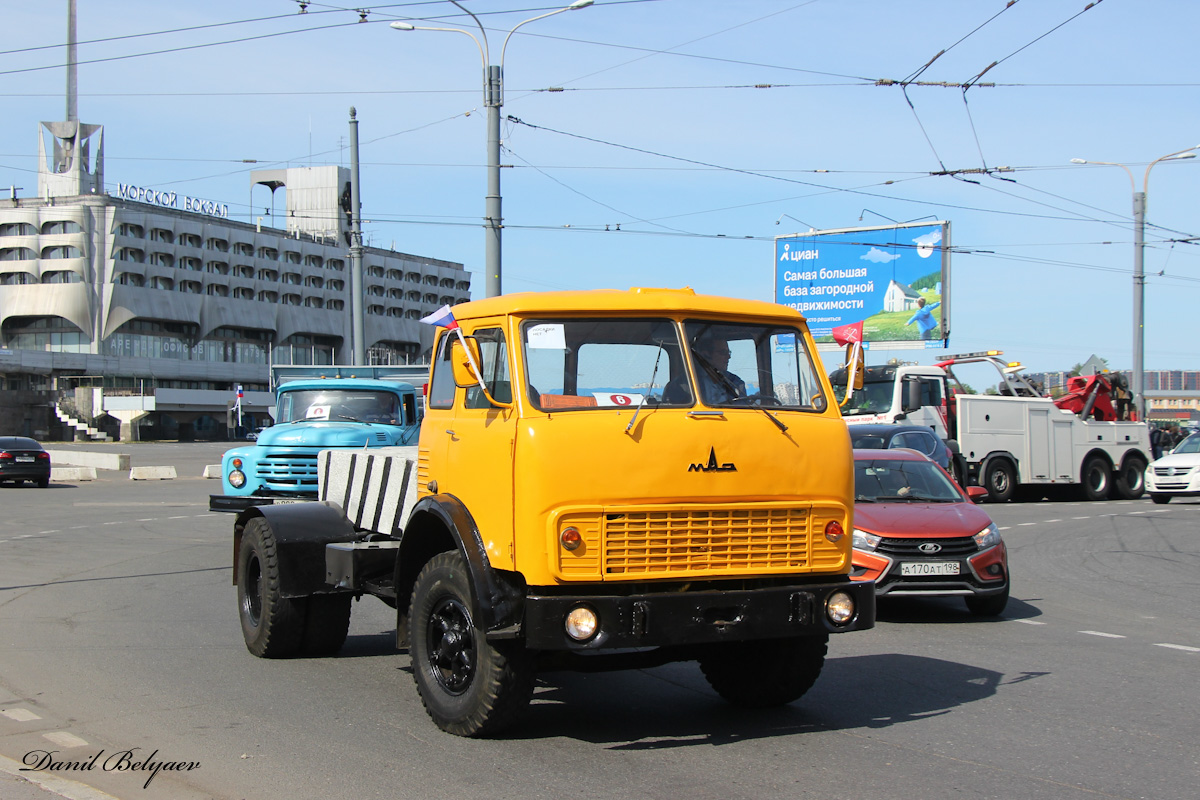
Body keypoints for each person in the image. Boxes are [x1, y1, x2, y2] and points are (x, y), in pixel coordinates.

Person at [693, 335, 746, 404]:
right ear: (706, 355)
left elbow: (741, 409)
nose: (728, 357)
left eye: (729, 352)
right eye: (723, 352)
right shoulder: (686, 382)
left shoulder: (736, 382)